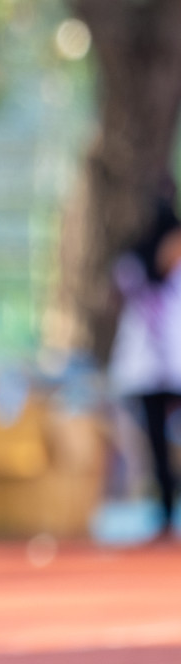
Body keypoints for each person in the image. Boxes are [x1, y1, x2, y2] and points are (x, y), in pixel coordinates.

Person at [110, 176, 181, 541]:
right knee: (155, 443)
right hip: (150, 365)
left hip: (173, 357)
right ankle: (166, 512)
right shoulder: (133, 258)